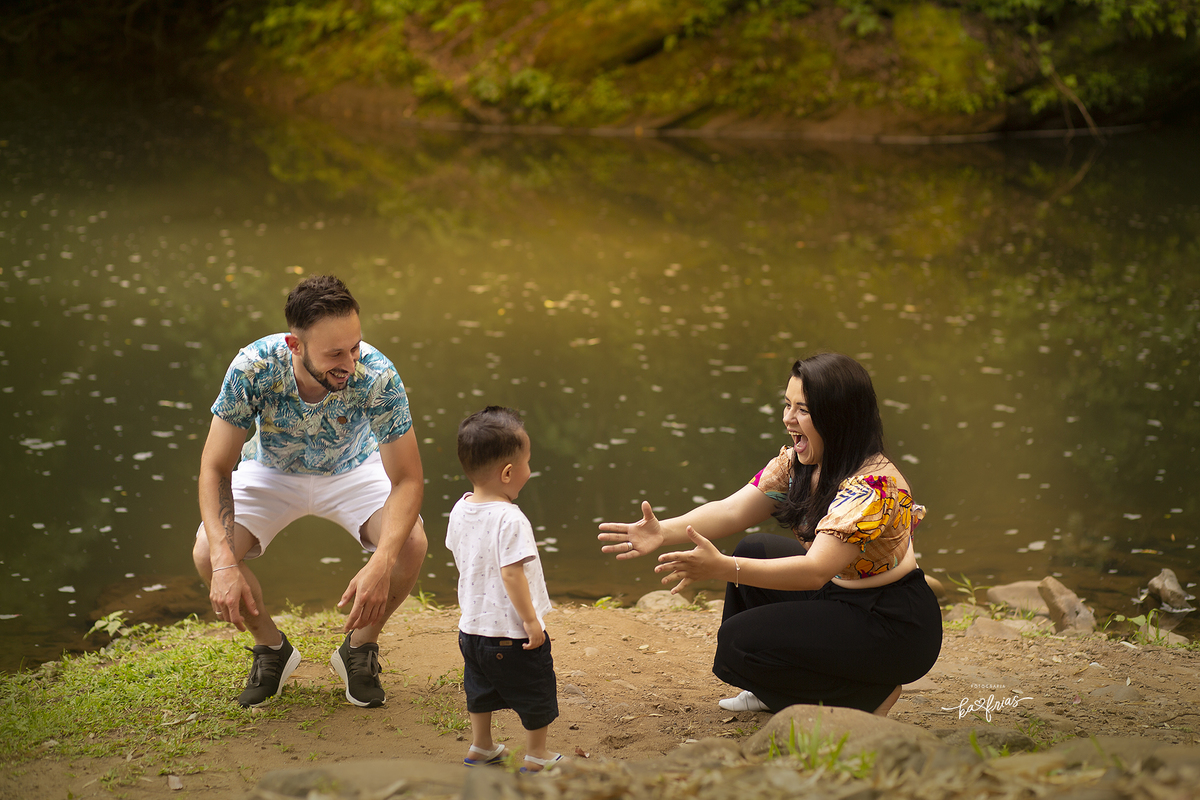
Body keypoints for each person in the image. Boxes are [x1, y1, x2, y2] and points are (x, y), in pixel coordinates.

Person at [598, 352, 942, 716]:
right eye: (787, 404)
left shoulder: (874, 487)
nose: (788, 418)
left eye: (803, 409)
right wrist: (661, 531)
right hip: (839, 594)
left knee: (738, 641)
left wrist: (721, 567)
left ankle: (867, 696)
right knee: (754, 548)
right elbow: (732, 510)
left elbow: (814, 570)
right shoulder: (800, 464)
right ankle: (774, 689)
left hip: (891, 625)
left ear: (839, 417)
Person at [193, 274, 427, 709]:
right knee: (209, 552)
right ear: (295, 345)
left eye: (354, 347)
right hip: (270, 470)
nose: (350, 363)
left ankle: (359, 649)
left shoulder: (377, 374)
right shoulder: (253, 367)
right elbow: (215, 466)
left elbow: (409, 479)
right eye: (335, 353)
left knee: (410, 544)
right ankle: (271, 649)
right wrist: (224, 562)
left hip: (353, 468)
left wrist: (382, 562)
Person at [446, 407, 561, 772]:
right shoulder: (511, 518)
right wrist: (531, 620)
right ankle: (537, 755)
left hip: (472, 630)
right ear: (508, 473)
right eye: (528, 462)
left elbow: (460, 554)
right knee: (536, 689)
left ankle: (481, 746)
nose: (530, 469)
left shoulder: (460, 509)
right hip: (511, 634)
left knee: (479, 689)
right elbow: (512, 574)